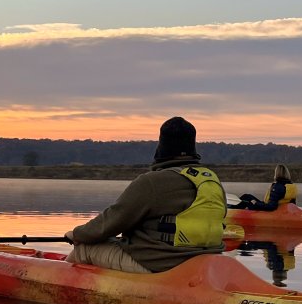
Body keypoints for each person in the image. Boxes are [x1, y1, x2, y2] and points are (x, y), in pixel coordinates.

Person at [63, 116, 227, 273]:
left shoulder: (152, 182)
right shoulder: (211, 180)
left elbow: (111, 222)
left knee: (84, 249)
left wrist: (77, 234)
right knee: (114, 243)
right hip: (204, 261)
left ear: (162, 146)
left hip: (160, 264)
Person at [232, 163, 297, 211]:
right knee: (247, 196)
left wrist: (256, 203)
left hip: (266, 209)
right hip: (278, 209)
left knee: (246, 200)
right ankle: (232, 209)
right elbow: (293, 204)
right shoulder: (290, 186)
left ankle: (231, 211)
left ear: (277, 173)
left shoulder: (277, 187)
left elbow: (271, 207)